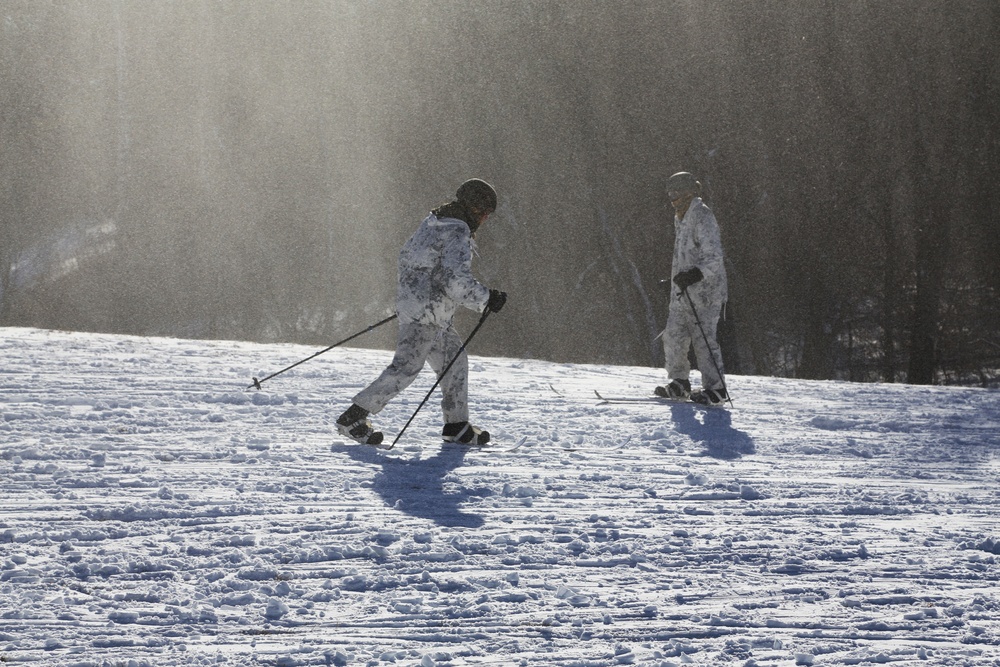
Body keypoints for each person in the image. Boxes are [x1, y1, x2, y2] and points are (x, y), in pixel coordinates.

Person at [336, 179, 507, 447]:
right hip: (427, 313)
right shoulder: (456, 231)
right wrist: (487, 298)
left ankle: (457, 426)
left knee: (455, 363)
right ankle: (353, 417)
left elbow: (408, 259)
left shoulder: (434, 223)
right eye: (485, 211)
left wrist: (414, 297)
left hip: (428, 310)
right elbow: (455, 281)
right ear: (475, 208)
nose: (486, 218)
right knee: (405, 368)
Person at [655, 171, 729, 405]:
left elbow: (714, 257)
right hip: (682, 292)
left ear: (688, 192)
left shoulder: (702, 216)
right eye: (670, 193)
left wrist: (694, 275)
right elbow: (685, 254)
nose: (672, 198)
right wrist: (676, 278)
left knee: (703, 340)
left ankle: (716, 389)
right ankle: (679, 382)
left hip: (705, 293)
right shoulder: (680, 217)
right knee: (673, 336)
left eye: (676, 192)